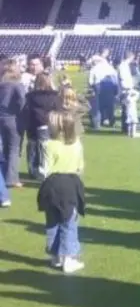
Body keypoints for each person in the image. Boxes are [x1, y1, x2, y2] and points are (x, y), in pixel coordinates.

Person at [37, 110, 86, 273]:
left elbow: (44, 169)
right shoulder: (77, 143)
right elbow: (80, 167)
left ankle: (56, 256)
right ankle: (69, 258)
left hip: (51, 185)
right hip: (70, 184)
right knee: (69, 222)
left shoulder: (48, 144)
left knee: (52, 221)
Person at [24, 73, 62, 180]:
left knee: (32, 147)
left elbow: (27, 111)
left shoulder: (30, 96)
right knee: (46, 149)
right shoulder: (54, 96)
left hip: (33, 124)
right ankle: (46, 169)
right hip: (49, 124)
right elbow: (58, 110)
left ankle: (33, 170)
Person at [0, 59, 26, 187]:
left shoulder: (1, 84)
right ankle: (12, 179)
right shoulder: (17, 85)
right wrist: (20, 111)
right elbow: (22, 100)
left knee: (5, 148)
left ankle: (5, 174)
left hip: (1, 118)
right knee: (14, 149)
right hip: (13, 118)